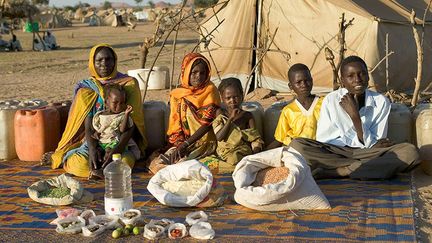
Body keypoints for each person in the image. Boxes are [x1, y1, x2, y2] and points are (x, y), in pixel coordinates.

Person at [290, 56, 419, 180]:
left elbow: (379, 143)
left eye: (361, 74)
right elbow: (325, 139)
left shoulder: (380, 102)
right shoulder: (331, 100)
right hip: (336, 153)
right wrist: (360, 147)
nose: (357, 79)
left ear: (368, 77)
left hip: (368, 153)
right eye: (350, 76)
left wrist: (355, 117)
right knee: (297, 146)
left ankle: (341, 171)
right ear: (342, 81)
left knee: (410, 153)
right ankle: (363, 168)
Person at [49, 44, 147, 178]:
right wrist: (93, 150)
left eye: (108, 59)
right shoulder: (86, 90)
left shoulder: (129, 84)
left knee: (123, 163)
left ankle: (100, 170)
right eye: (99, 60)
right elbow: (88, 126)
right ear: (92, 63)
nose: (104, 64)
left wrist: (115, 150)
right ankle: (97, 169)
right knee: (79, 164)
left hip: (120, 143)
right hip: (92, 142)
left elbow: (132, 125)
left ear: (115, 61)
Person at [165, 53, 221, 164]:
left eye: (202, 73)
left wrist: (185, 145)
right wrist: (179, 144)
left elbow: (206, 124)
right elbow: (176, 126)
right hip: (183, 143)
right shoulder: (178, 94)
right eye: (194, 72)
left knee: (183, 165)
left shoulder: (211, 91)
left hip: (205, 143)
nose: (198, 76)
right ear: (186, 73)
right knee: (164, 162)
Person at [89, 84, 140, 179]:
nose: (119, 106)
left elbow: (122, 130)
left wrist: (126, 114)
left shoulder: (122, 116)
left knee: (110, 153)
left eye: (122, 103)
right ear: (106, 102)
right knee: (98, 154)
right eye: (115, 103)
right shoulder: (100, 116)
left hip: (114, 143)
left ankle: (103, 170)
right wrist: (96, 134)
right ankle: (97, 168)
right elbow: (97, 129)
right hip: (102, 142)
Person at [212, 77, 264, 172]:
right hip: (224, 152)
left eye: (236, 97)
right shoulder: (220, 113)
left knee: (237, 160)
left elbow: (255, 139)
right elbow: (219, 137)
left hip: (241, 151)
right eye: (228, 98)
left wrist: (255, 154)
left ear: (242, 96)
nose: (232, 101)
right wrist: (230, 119)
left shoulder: (247, 115)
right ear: (222, 99)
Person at [267, 63, 323, 149]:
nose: (303, 85)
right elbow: (280, 139)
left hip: (320, 147)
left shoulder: (324, 103)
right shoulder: (288, 111)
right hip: (296, 149)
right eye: (298, 82)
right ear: (291, 86)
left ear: (312, 81)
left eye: (306, 80)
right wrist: (264, 152)